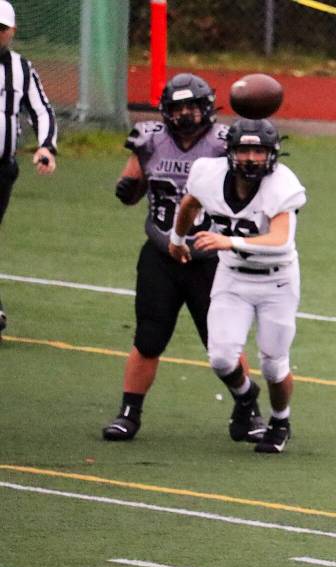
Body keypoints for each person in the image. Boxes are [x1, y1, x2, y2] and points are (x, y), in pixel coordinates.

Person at [102, 73, 265, 443]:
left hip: (208, 257)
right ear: (166, 111)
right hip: (161, 253)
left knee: (221, 341)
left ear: (207, 108)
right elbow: (130, 191)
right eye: (179, 108)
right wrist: (127, 187)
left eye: (193, 106)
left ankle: (248, 407)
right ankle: (129, 412)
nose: (187, 114)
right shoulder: (148, 140)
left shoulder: (225, 143)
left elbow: (248, 191)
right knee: (149, 335)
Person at [168, 118, 306, 454]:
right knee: (220, 357)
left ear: (271, 154)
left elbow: (280, 240)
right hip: (233, 277)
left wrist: (229, 242)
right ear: (230, 151)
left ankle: (280, 420)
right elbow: (190, 203)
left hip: (277, 281)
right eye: (244, 149)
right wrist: (177, 238)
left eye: (258, 150)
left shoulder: (282, 184)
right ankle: (246, 396)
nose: (250, 158)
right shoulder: (208, 174)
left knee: (274, 364)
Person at [0, 0, 58, 340]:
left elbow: (42, 110)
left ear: (12, 32)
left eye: (0, 29)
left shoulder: (22, 68)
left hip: (2, 169)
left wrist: (46, 146)